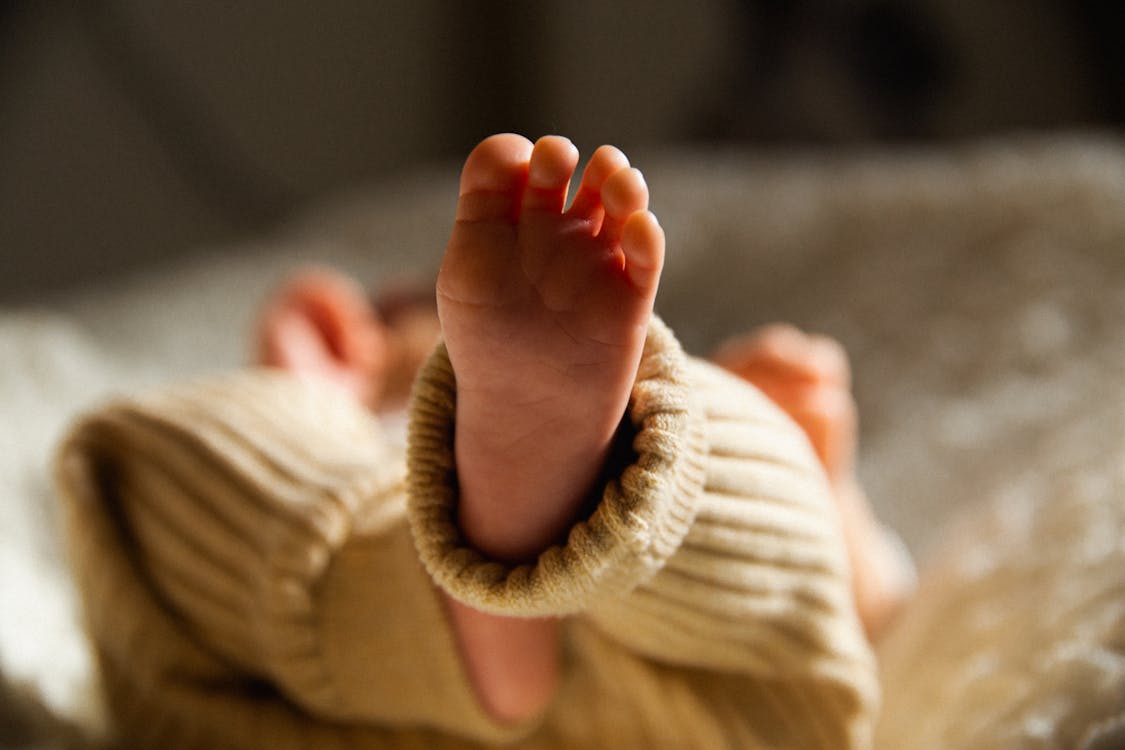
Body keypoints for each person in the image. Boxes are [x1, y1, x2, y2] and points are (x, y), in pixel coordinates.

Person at [57, 134, 912, 749]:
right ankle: (562, 500)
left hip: (635, 687)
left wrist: (812, 480)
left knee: (146, 472)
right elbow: (856, 635)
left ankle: (583, 497)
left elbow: (860, 624)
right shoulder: (325, 406)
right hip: (612, 708)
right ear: (334, 335)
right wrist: (808, 486)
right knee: (177, 465)